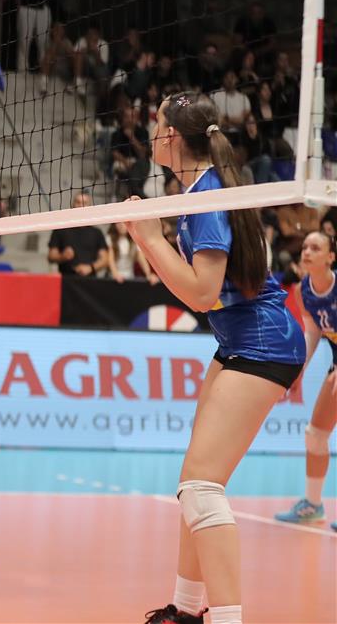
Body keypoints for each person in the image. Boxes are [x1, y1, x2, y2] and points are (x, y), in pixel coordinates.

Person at [125, 93, 306, 624]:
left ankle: (226, 618)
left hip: (262, 343)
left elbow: (202, 293)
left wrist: (149, 238)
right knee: (195, 483)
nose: (150, 131)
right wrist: (148, 238)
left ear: (171, 137)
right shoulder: (198, 192)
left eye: (156, 122)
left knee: (201, 487)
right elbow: (196, 286)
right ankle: (185, 610)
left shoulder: (206, 197)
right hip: (239, 341)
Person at [274, 231, 337, 531]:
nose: (307, 251)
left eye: (316, 247)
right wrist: (299, 370)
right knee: (315, 435)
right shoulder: (303, 291)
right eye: (305, 247)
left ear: (331, 257)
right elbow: (313, 332)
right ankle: (313, 505)